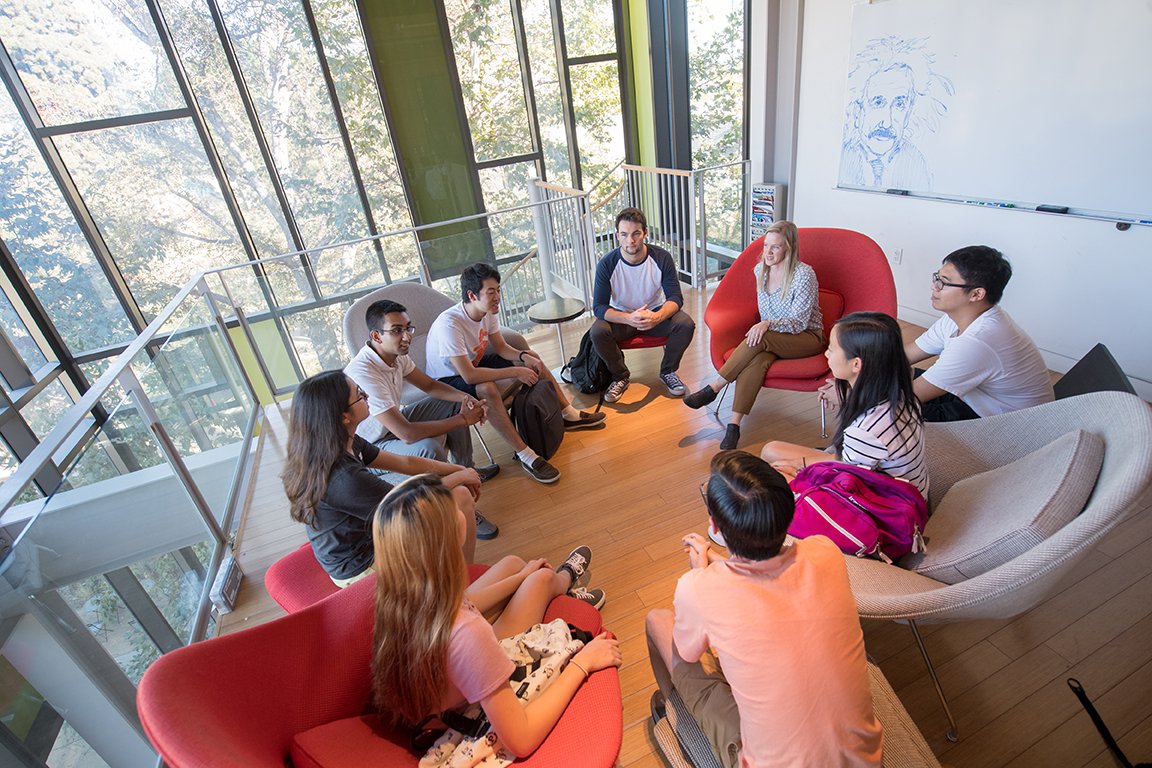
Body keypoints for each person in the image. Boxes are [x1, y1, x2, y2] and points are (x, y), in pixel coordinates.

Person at [645, 451, 883, 767]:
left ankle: (682, 721)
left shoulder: (698, 587)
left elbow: (688, 653)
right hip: (865, 760)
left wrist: (699, 571)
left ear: (714, 525)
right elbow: (768, 578)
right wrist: (713, 565)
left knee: (657, 622)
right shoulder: (826, 551)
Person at [370, 475, 620, 758]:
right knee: (541, 580)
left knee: (514, 565)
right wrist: (583, 662)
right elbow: (520, 740)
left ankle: (553, 585)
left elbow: (462, 605)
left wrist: (520, 576)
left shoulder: (402, 590)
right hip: (456, 705)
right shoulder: (468, 633)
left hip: (439, 681)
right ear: (449, 536)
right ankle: (562, 582)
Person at [283, 370, 483, 586]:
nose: (367, 395)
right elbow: (410, 502)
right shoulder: (343, 477)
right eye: (360, 394)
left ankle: (463, 581)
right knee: (459, 500)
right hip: (363, 566)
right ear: (344, 417)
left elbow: (407, 463)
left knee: (458, 493)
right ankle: (463, 589)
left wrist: (457, 469)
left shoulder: (343, 442)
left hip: (373, 534)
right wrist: (462, 475)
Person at [426, 262, 606, 485]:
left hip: (473, 363)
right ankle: (527, 455)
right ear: (472, 295)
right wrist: (516, 371)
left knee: (532, 356)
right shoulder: (450, 325)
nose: (497, 297)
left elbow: (501, 348)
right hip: (448, 380)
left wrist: (523, 358)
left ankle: (568, 414)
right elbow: (469, 376)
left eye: (498, 290)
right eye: (491, 292)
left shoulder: (487, 311)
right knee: (486, 388)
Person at [344, 298, 500, 539]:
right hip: (371, 446)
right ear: (376, 336)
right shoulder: (363, 372)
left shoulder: (396, 354)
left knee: (452, 401)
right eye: (397, 330)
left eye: (408, 328)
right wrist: (463, 419)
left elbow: (428, 385)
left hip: (391, 425)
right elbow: (407, 434)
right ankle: (461, 502)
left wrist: (464, 399)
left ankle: (466, 469)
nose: (407, 337)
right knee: (426, 448)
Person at [683, 220, 825, 450]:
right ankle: (734, 426)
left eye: (775, 247)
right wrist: (766, 325)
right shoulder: (761, 270)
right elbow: (766, 313)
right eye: (766, 245)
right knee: (757, 361)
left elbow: (799, 322)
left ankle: (715, 387)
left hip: (807, 337)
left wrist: (766, 324)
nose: (768, 252)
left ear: (789, 247)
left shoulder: (804, 275)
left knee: (763, 337)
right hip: (775, 339)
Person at [760, 311, 928, 497]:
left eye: (831, 349)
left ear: (856, 364)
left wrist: (798, 469)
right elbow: (852, 461)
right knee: (771, 450)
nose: (826, 353)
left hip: (888, 506)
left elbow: (846, 483)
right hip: (875, 474)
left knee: (774, 480)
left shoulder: (866, 430)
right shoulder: (898, 392)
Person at [905, 246, 1054, 422]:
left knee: (881, 411)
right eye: (936, 277)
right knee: (892, 378)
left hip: (1000, 423)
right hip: (974, 397)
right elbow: (905, 355)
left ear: (976, 294)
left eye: (944, 282)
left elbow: (910, 396)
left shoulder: (977, 341)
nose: (934, 286)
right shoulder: (959, 317)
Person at [591, 208, 696, 403]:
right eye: (624, 234)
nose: (630, 241)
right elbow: (599, 307)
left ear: (645, 233)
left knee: (685, 324)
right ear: (617, 236)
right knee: (597, 331)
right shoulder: (606, 264)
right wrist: (628, 318)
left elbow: (676, 298)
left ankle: (668, 371)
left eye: (636, 234)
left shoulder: (662, 257)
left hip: (654, 315)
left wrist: (658, 316)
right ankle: (620, 376)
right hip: (622, 318)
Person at [838, 36, 954, 191]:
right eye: (878, 103)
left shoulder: (916, 163)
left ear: (909, 112)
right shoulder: (840, 160)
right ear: (858, 112)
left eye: (899, 104)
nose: (887, 122)